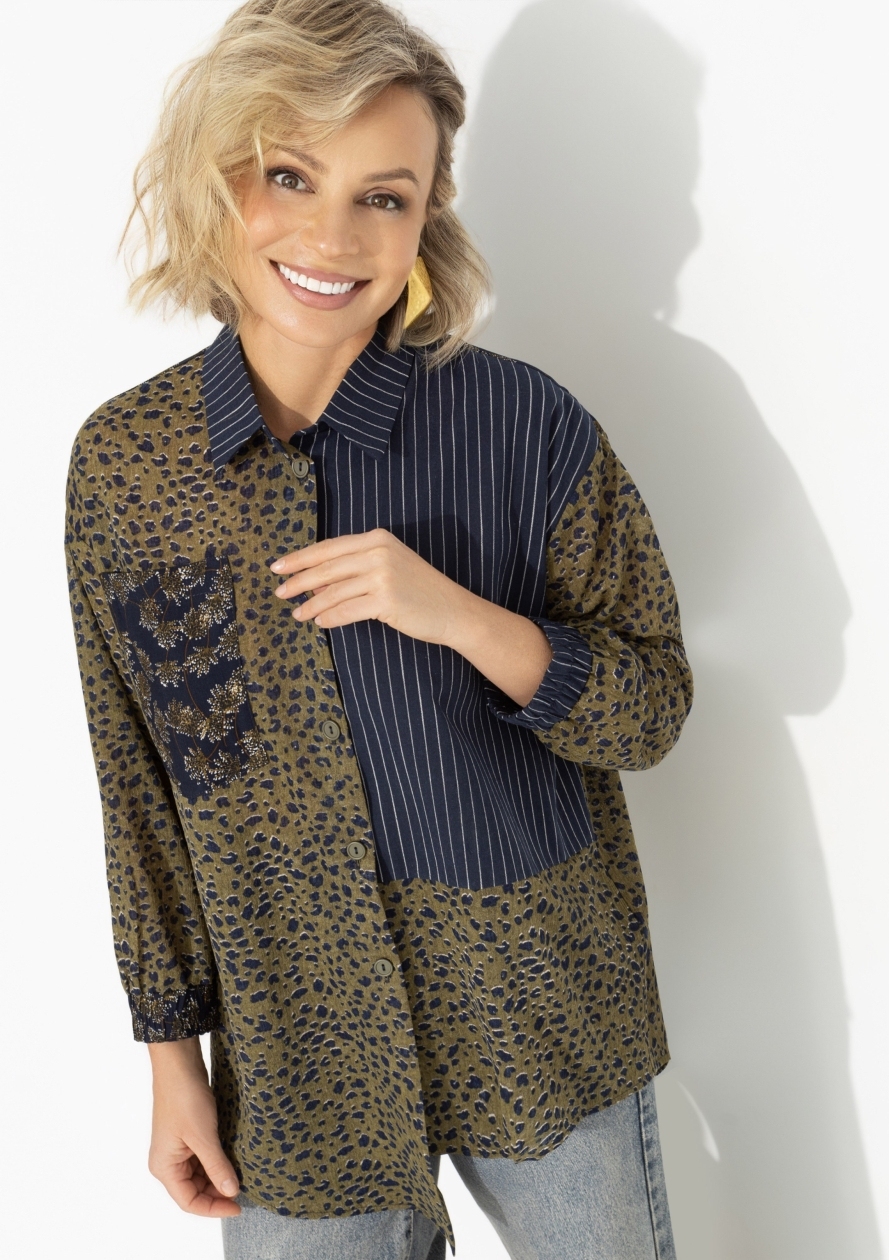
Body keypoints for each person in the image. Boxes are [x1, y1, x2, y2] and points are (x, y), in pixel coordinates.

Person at [64, 1, 691, 1256]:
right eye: (288, 177)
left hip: (541, 1000)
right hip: (295, 1048)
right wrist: (171, 1058)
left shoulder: (523, 426)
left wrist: (458, 616)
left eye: (383, 197)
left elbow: (652, 709)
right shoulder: (129, 467)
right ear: (218, 179)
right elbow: (139, 789)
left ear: (427, 216)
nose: (332, 237)